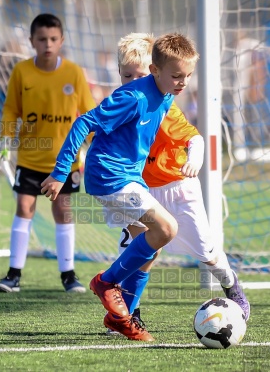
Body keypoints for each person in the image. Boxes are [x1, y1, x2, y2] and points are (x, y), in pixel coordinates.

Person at [41, 32, 199, 341]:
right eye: (177, 76)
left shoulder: (166, 94)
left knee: (150, 248)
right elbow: (83, 123)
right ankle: (106, 282)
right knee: (167, 229)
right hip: (109, 175)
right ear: (157, 71)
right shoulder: (133, 97)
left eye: (188, 76)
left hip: (128, 177)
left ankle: (122, 317)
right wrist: (61, 173)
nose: (183, 82)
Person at [103, 33, 250, 336]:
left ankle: (232, 287)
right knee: (140, 246)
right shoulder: (120, 104)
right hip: (139, 188)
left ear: (154, 73)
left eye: (139, 75)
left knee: (208, 253)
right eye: (126, 74)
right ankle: (127, 314)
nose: (132, 80)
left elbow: (193, 137)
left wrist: (194, 159)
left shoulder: (164, 106)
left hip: (178, 188)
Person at [0, 13, 97, 293]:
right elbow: (11, 109)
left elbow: (89, 113)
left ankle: (68, 275)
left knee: (62, 211)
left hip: (65, 161)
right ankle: (13, 275)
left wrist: (98, 143)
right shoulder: (21, 72)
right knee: (24, 208)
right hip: (29, 157)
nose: (47, 44)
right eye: (41, 39)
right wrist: (4, 141)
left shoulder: (74, 73)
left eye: (53, 39)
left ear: (61, 41)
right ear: (31, 41)